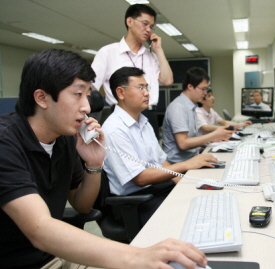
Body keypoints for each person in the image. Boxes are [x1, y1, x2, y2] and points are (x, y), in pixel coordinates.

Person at [0, 49, 207, 269]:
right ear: (42, 98)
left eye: (88, 95)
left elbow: (81, 205)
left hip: (56, 255)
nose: (87, 108)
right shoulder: (6, 142)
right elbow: (40, 229)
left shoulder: (65, 139)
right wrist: (136, 256)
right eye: (78, 94)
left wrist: (94, 164)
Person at [103, 67, 220, 226]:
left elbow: (162, 161)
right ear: (121, 93)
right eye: (140, 88)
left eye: (147, 87)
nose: (146, 93)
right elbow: (140, 178)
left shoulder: (143, 122)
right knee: (195, 214)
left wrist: (183, 183)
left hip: (155, 189)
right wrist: (186, 165)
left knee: (203, 198)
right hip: (133, 202)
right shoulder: (114, 130)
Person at [91, 4, 173, 140]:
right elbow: (91, 87)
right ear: (130, 22)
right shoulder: (108, 52)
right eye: (145, 24)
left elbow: (167, 80)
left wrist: (159, 51)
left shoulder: (151, 56)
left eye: (151, 27)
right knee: (127, 159)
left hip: (150, 115)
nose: (148, 30)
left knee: (152, 159)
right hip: (121, 115)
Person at [162, 67, 234, 164]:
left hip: (191, 158)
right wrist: (214, 134)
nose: (205, 93)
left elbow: (191, 140)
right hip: (178, 165)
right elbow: (183, 144)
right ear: (190, 87)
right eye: (203, 89)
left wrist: (211, 139)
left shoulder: (191, 106)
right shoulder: (178, 107)